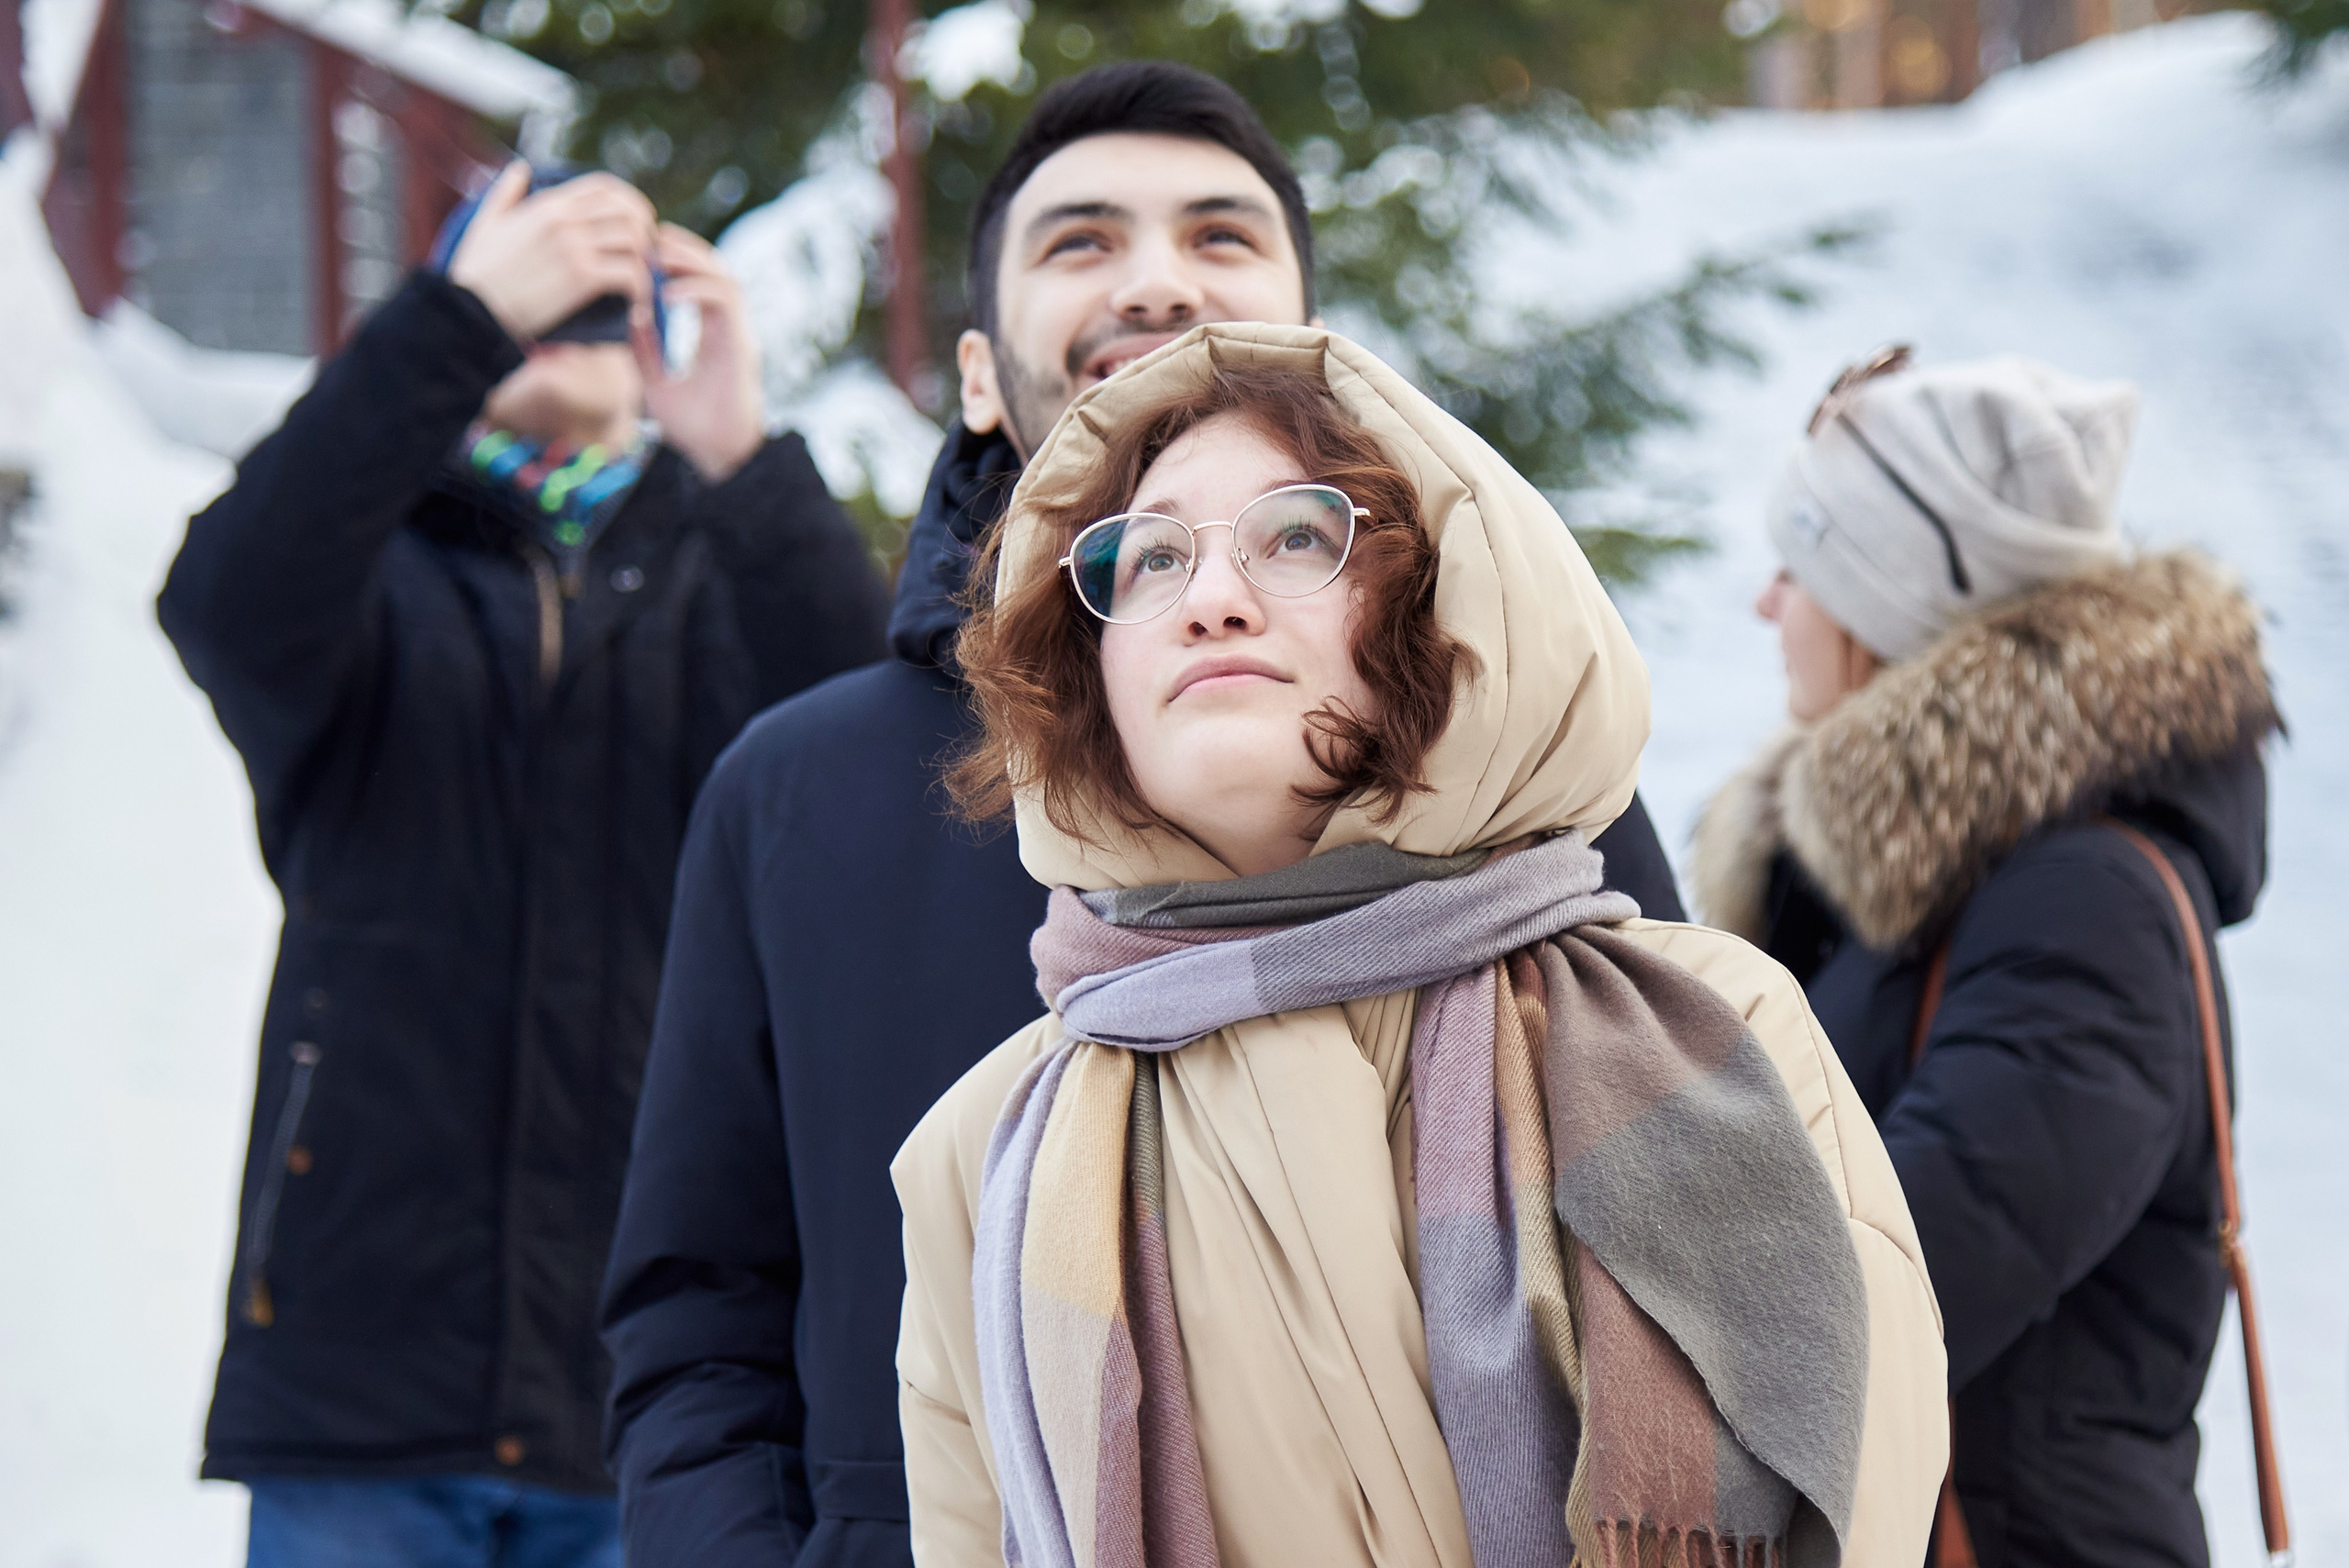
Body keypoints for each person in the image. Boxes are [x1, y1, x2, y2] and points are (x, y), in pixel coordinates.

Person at [597, 60, 1689, 1568]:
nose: (1160, 280)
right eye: (1082, 240)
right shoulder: (793, 789)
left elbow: (1683, 1236)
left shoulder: (1501, 751)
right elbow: (698, 1309)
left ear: (1316, 348)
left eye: (1222, 237)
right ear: (980, 374)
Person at [894, 323, 1945, 1565]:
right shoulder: (982, 1151)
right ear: (1087, 665)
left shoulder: (1716, 1025)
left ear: (1441, 603)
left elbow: (1861, 1488)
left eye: (1296, 536)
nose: (1213, 597)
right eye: (1150, 556)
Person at [157, 161, 889, 1565]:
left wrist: (740, 449)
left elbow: (889, 760)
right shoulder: (368, 568)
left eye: (600, 302)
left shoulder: (732, 573)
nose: (565, 325)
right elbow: (224, 600)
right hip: (358, 1384)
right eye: (528, 296)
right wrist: (454, 320)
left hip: (659, 1400)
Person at [1688, 349, 2280, 1566]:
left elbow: (1889, 1294)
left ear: (1886, 601)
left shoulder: (2081, 902)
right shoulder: (1925, 880)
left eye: (1799, 565)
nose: (1767, 604)